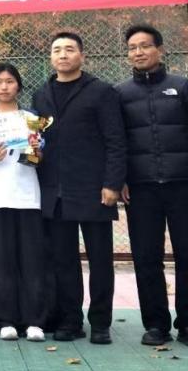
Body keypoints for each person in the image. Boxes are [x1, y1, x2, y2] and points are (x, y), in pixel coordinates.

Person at [116, 24, 188, 349]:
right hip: (140, 189)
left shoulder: (184, 87)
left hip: (185, 186)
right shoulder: (120, 94)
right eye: (132, 48)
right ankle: (156, 325)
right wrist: (119, 179)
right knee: (146, 258)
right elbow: (114, 141)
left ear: (159, 50)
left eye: (145, 46)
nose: (139, 52)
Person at [32, 32, 126, 345]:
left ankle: (100, 323)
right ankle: (70, 320)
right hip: (54, 192)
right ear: (51, 57)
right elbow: (36, 141)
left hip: (94, 190)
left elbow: (116, 141)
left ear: (81, 56)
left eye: (69, 49)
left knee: (100, 261)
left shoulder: (102, 91)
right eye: (57, 50)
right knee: (63, 262)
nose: (63, 55)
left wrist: (112, 183)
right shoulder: (41, 95)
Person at [0, 63, 46, 342]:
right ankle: (6, 321)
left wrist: (35, 152)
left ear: (19, 86)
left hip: (28, 197)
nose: (4, 87)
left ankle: (34, 321)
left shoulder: (32, 118)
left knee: (31, 261)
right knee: (0, 260)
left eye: (10, 81)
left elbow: (39, 159)